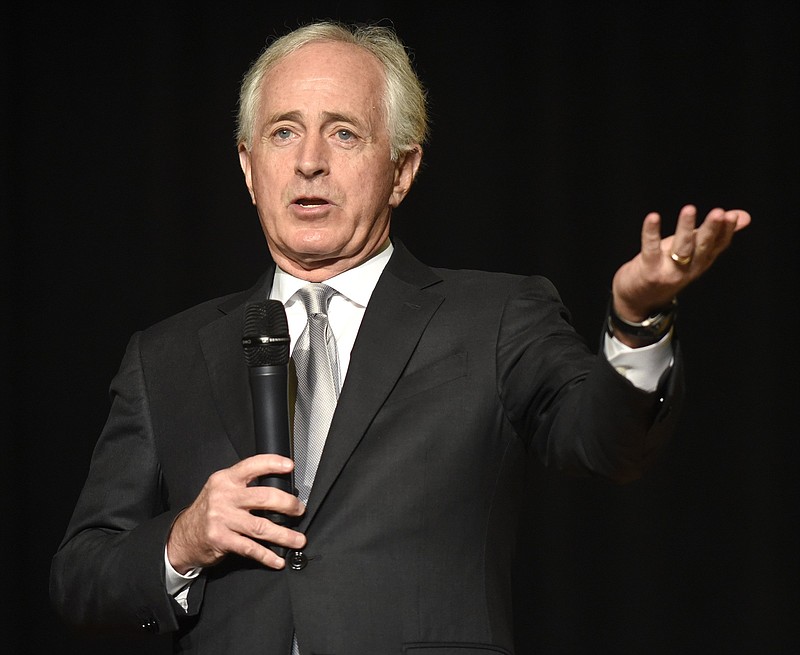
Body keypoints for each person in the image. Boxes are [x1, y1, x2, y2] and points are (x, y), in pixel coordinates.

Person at [49, 20, 750, 655]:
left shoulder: (495, 316)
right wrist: (183, 538)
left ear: (403, 171)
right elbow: (81, 579)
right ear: (247, 166)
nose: (310, 161)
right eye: (283, 131)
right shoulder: (164, 356)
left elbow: (606, 441)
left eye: (344, 133)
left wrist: (635, 320)